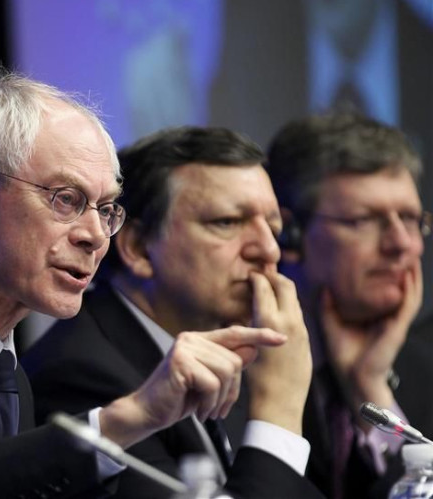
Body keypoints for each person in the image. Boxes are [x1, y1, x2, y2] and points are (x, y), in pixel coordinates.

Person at [0, 71, 295, 498]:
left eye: (105, 208)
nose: (97, 236)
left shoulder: (6, 376)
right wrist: (122, 420)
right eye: (66, 199)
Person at [22, 126, 322, 498]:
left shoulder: (237, 366)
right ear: (140, 247)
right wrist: (279, 410)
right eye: (227, 222)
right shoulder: (81, 379)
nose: (268, 250)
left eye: (274, 228)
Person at [266, 112, 433, 499]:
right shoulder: (234, 370)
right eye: (365, 220)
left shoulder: (424, 369)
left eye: (409, 219)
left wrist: (372, 393)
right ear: (287, 234)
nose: (402, 244)